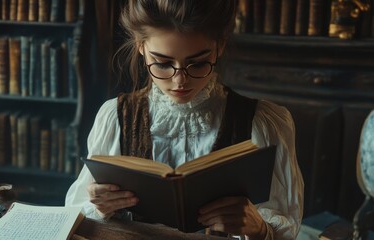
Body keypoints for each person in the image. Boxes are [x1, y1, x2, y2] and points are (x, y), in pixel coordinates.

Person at [65, 0, 304, 239]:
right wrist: (99, 206)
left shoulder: (264, 123)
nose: (180, 81)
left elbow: (286, 229)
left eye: (198, 63)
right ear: (140, 46)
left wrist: (259, 229)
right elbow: (74, 216)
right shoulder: (115, 117)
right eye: (162, 63)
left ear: (220, 46)